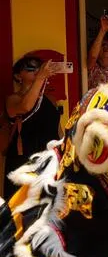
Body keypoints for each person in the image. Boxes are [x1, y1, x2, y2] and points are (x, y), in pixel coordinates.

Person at [5, 55, 66, 199]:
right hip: (25, 159)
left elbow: (57, 128)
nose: (36, 72)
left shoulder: (50, 99)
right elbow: (26, 106)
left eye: (38, 69)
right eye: (30, 68)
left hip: (49, 157)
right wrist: (40, 78)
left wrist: (65, 149)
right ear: (18, 76)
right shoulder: (13, 99)